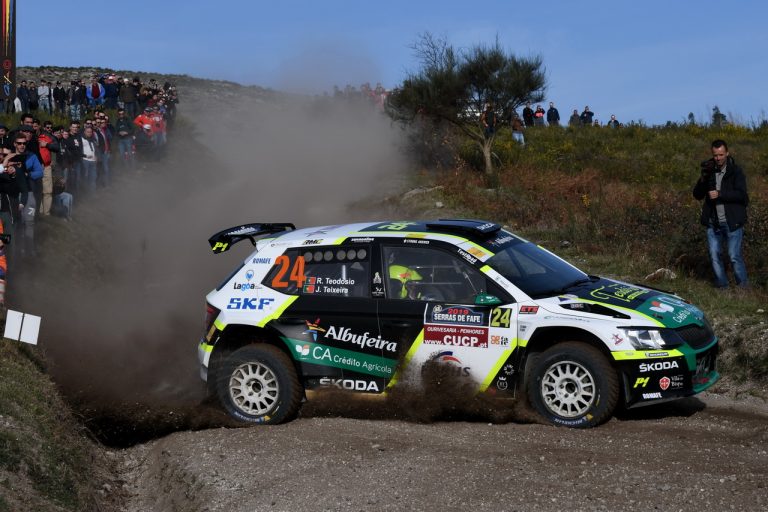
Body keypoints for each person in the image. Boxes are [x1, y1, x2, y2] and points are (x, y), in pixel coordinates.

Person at [693, 139, 749, 288]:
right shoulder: (709, 171)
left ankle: (743, 288)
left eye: (721, 155)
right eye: (715, 155)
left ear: (727, 153)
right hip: (713, 223)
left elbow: (743, 196)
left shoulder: (736, 172)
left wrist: (720, 194)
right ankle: (723, 287)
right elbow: (697, 195)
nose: (718, 158)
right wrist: (703, 179)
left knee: (734, 256)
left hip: (732, 222)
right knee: (714, 255)